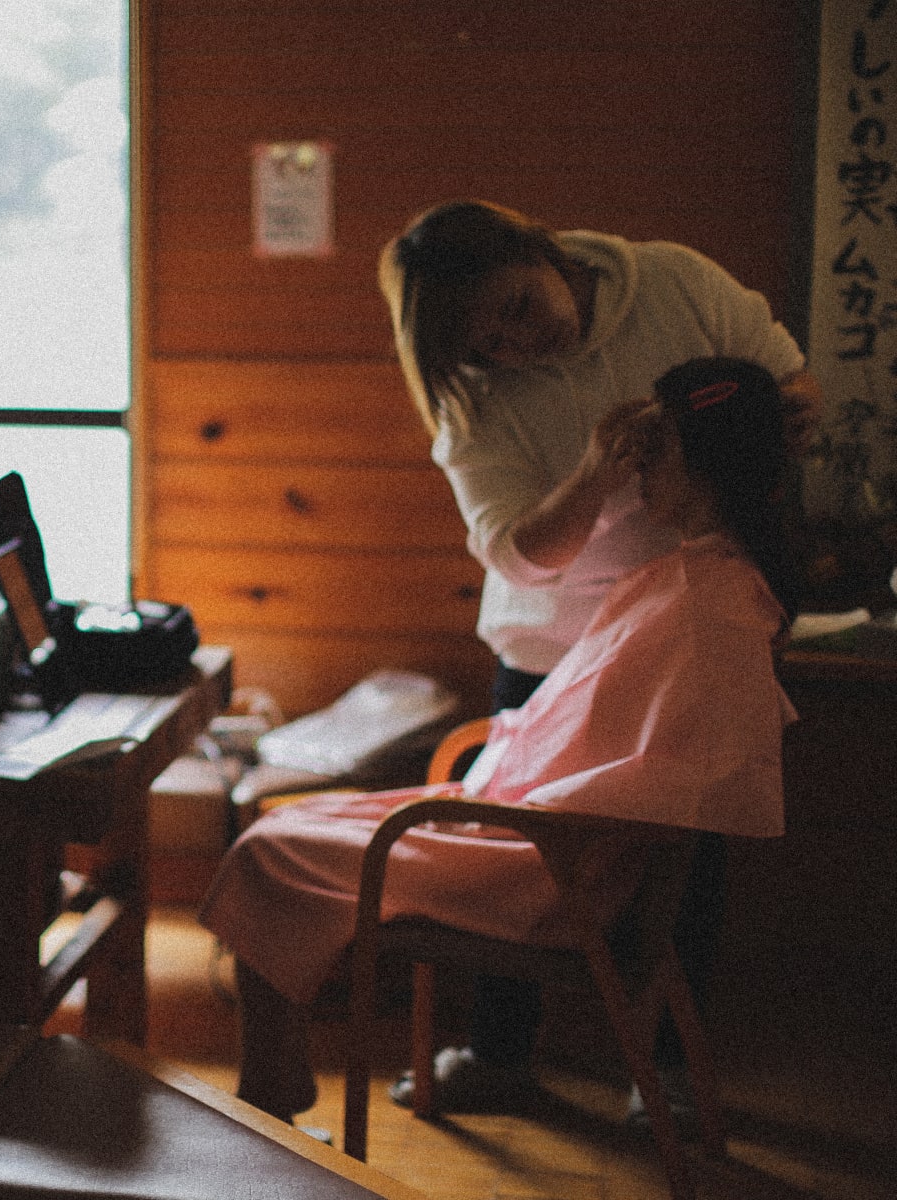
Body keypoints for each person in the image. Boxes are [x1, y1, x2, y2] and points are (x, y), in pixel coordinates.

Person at [201, 357, 797, 1125]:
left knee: (268, 853)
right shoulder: (691, 582)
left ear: (706, 466)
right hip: (528, 829)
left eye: (659, 450)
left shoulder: (712, 607)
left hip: (552, 863)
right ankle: (275, 1091)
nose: (641, 469)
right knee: (280, 826)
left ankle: (268, 1099)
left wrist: (501, 802)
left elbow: (683, 780)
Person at [374, 200, 817, 1103]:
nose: (513, 347)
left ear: (539, 249)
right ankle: (499, 1056)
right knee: (519, 844)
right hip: (558, 644)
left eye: (516, 309)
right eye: (486, 345)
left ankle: (668, 1074)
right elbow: (513, 551)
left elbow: (791, 390)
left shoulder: (674, 282)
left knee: (682, 860)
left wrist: (734, 431)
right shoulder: (474, 397)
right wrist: (593, 474)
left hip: (687, 626)